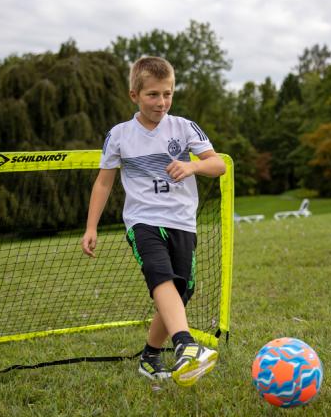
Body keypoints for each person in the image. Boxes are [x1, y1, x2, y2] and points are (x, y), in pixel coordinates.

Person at [81, 56, 226, 387]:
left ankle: (149, 356)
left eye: (168, 94)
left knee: (179, 291)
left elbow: (218, 165)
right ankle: (186, 346)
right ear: (134, 95)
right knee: (161, 276)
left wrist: (192, 167)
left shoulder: (184, 127)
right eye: (153, 95)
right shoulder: (119, 135)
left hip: (182, 222)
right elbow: (103, 183)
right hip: (143, 221)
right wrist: (91, 227)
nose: (161, 102)